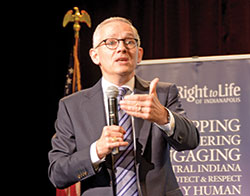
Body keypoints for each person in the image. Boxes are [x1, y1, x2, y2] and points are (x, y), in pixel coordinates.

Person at [48, 17, 200, 196]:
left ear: (139, 54)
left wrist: (164, 117)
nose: (121, 48)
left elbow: (191, 141)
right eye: (111, 42)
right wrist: (96, 150)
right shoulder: (72, 106)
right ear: (94, 55)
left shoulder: (162, 94)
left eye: (129, 42)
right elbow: (57, 173)